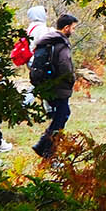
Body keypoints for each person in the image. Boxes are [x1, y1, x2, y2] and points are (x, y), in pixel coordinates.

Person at [29, 14, 80, 158]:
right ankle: (47, 150)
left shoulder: (47, 42)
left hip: (47, 84)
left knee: (61, 115)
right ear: (66, 27)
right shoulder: (60, 44)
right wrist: (71, 80)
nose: (73, 31)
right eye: (73, 28)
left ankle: (44, 147)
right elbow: (65, 67)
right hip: (58, 86)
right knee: (61, 116)